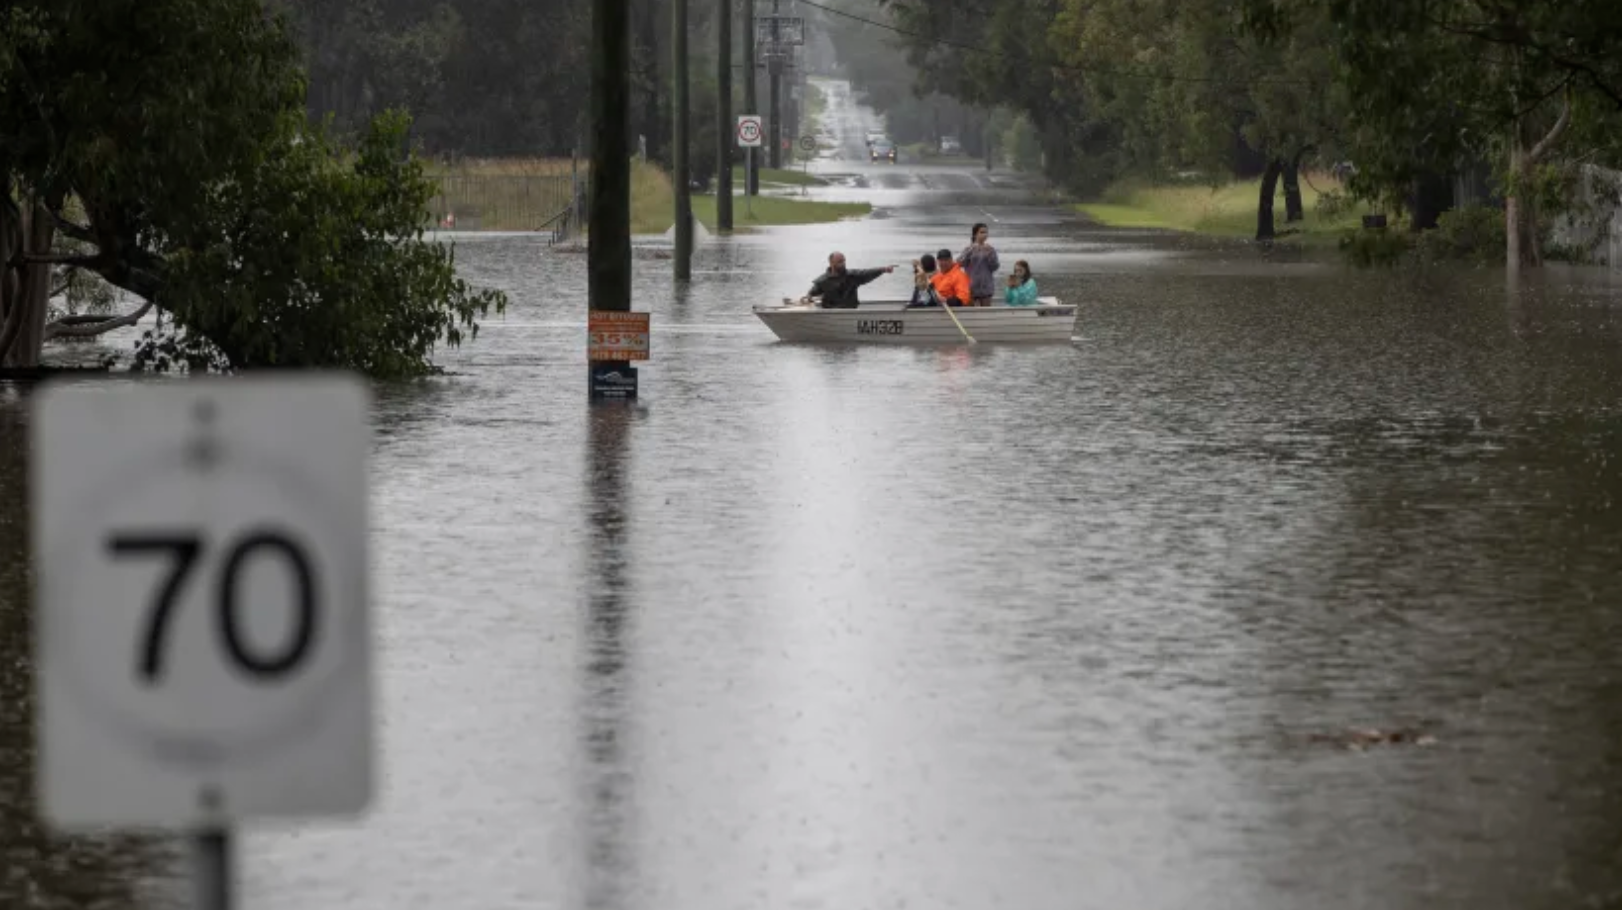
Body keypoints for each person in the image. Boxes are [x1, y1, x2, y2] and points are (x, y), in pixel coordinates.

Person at [803, 252, 895, 309]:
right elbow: (811, 293)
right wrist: (808, 297)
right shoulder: (823, 281)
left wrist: (883, 269)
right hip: (830, 314)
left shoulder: (852, 276)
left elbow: (867, 273)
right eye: (840, 262)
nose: (843, 264)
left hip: (849, 311)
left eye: (844, 261)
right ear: (831, 263)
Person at [958, 222, 1000, 306]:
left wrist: (989, 254)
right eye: (981, 232)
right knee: (972, 313)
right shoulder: (968, 248)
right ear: (975, 234)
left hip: (986, 287)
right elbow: (960, 263)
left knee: (986, 313)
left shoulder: (990, 249)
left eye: (986, 232)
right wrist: (971, 250)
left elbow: (995, 266)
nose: (984, 235)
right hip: (971, 287)